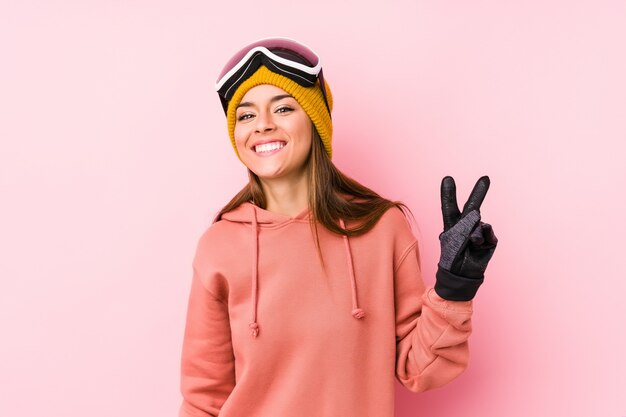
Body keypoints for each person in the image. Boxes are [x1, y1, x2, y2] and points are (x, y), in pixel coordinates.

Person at [178, 37, 498, 417]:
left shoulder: (382, 229)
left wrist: (453, 288)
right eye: (246, 115)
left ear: (315, 120)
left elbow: (420, 369)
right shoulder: (220, 246)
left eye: (282, 108)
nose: (262, 125)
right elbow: (203, 399)